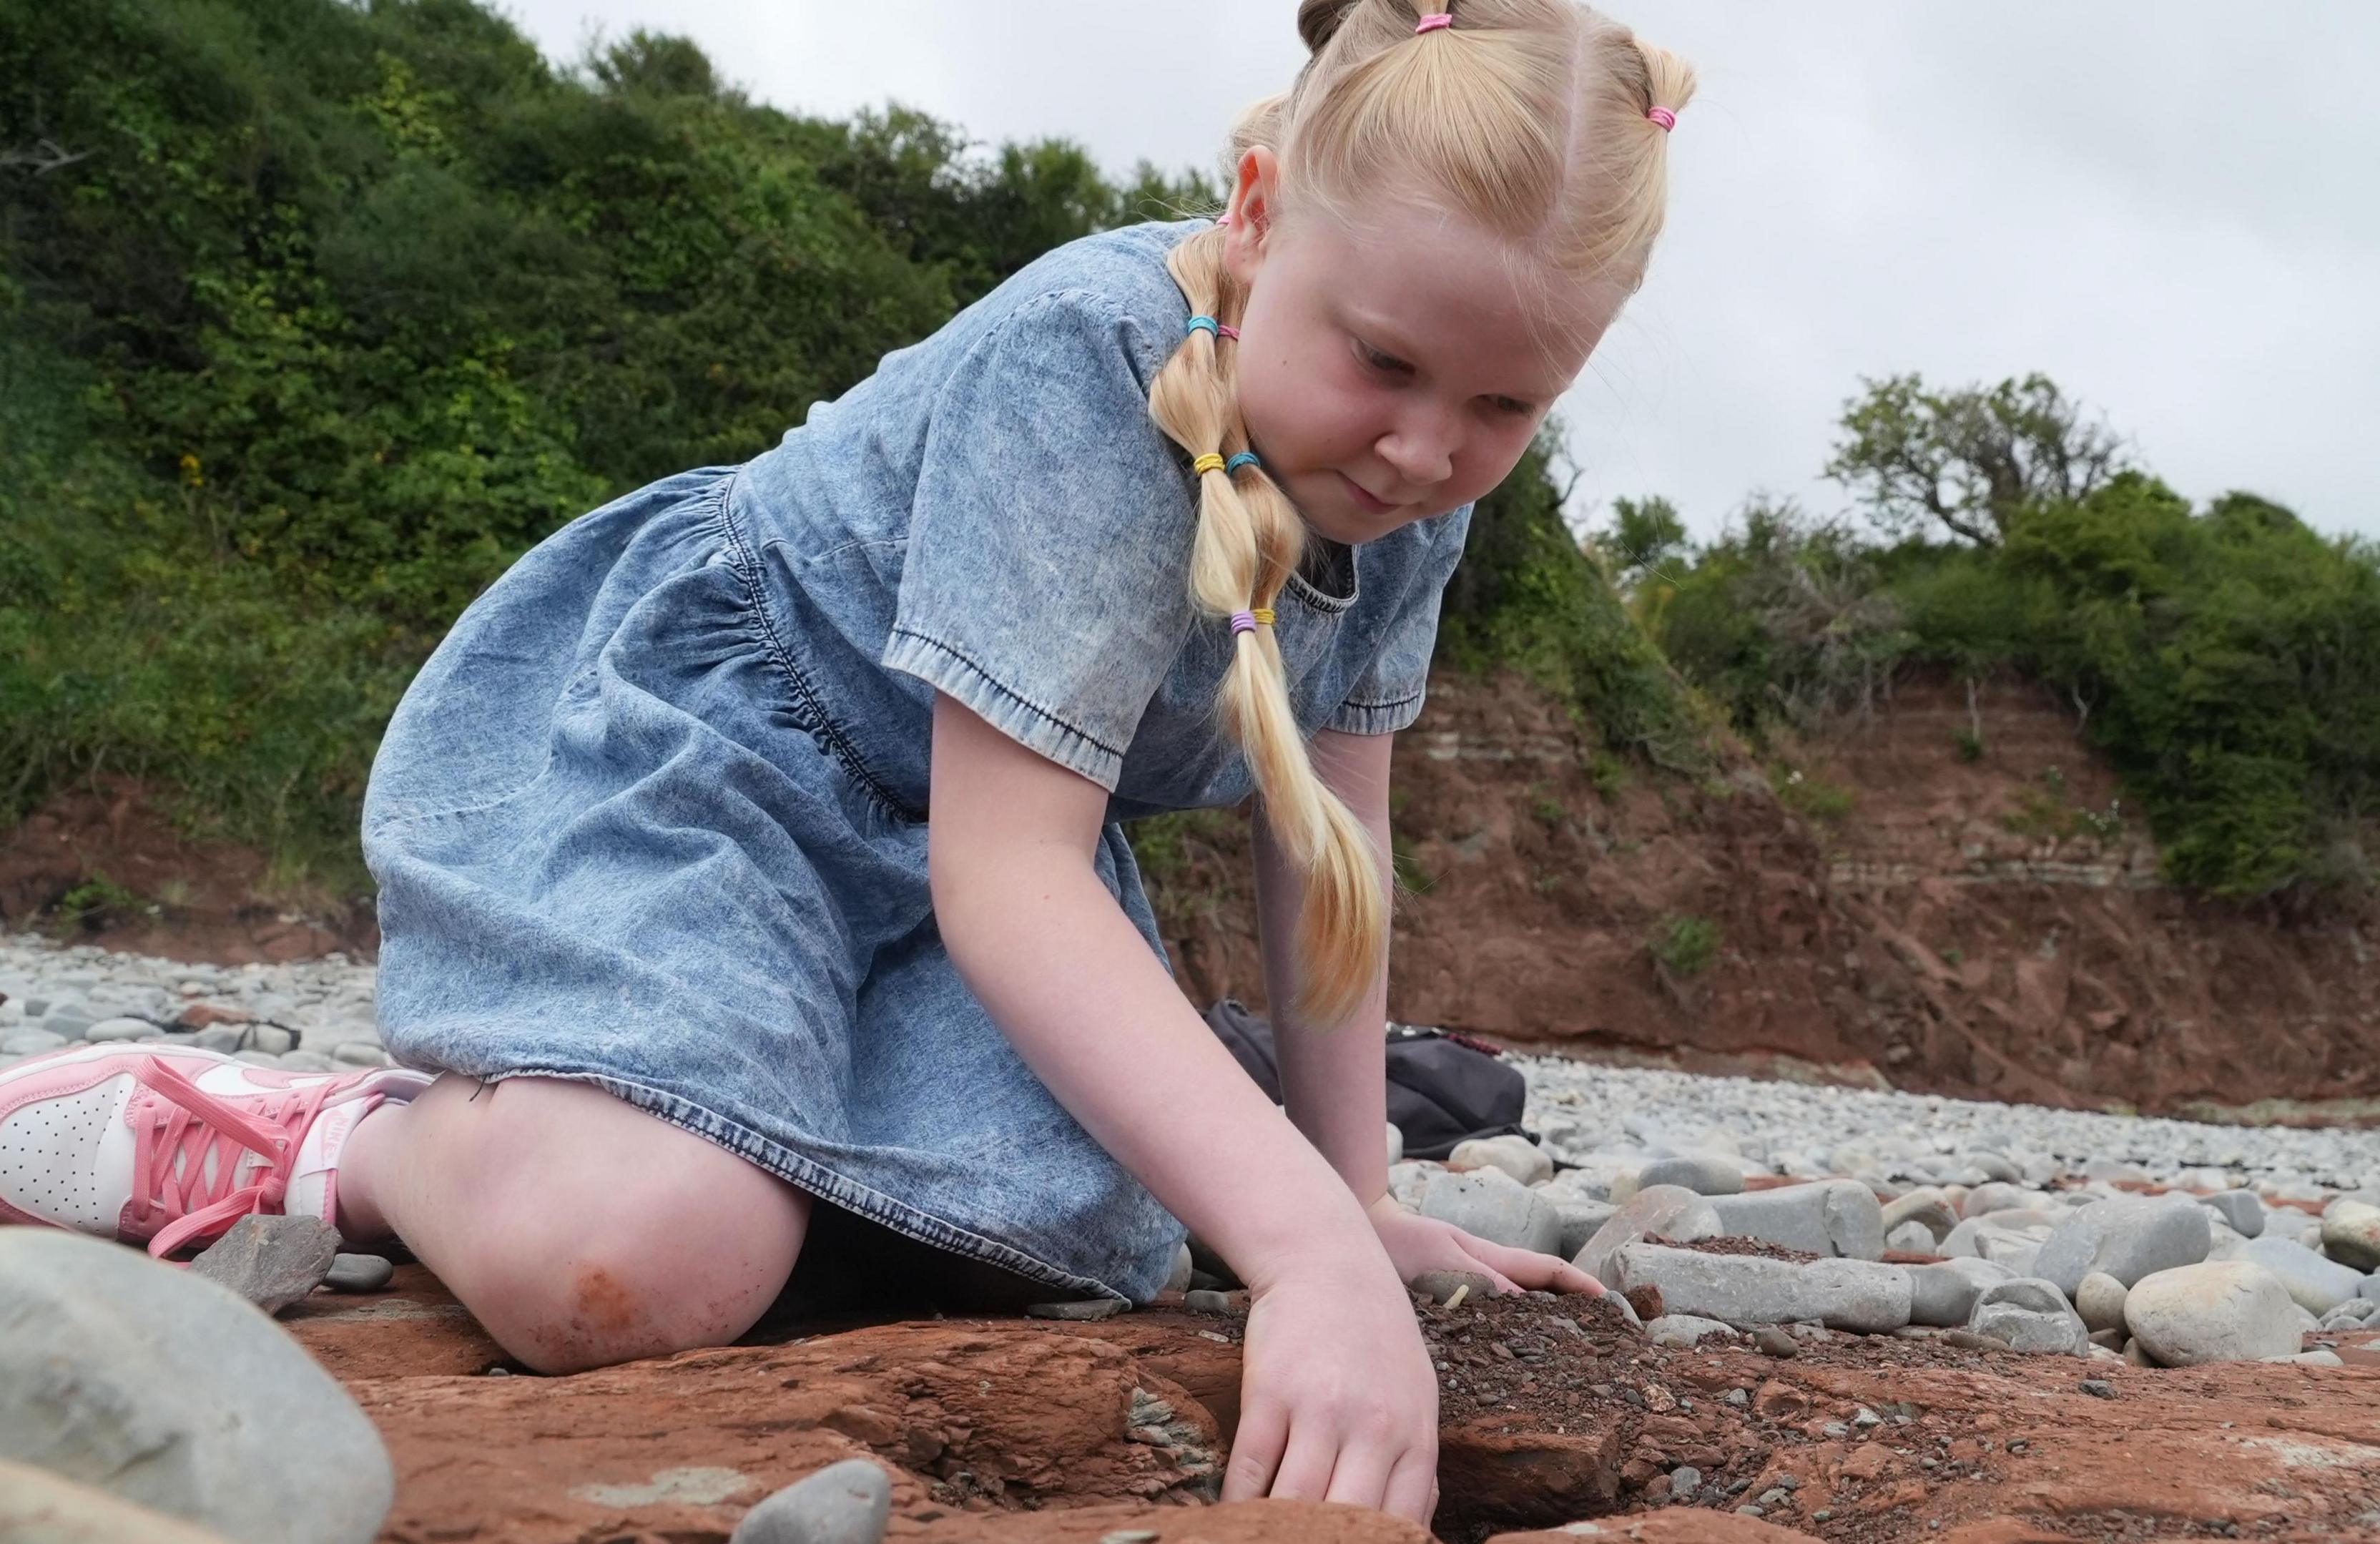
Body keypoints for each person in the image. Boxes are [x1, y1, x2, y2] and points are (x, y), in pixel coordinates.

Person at [0, 0, 1693, 1520]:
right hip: (723, 757)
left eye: (1504, 410)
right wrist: (1307, 1260)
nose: (1423, 448)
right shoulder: (1091, 361)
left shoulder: (1408, 495)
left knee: (1056, 1250)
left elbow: (1330, 853)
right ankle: (310, 1139)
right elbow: (1010, 872)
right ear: (1256, 215)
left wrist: (1351, 1199)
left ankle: (716, 1101)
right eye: (1384, 362)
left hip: (946, 857)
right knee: (637, 1264)